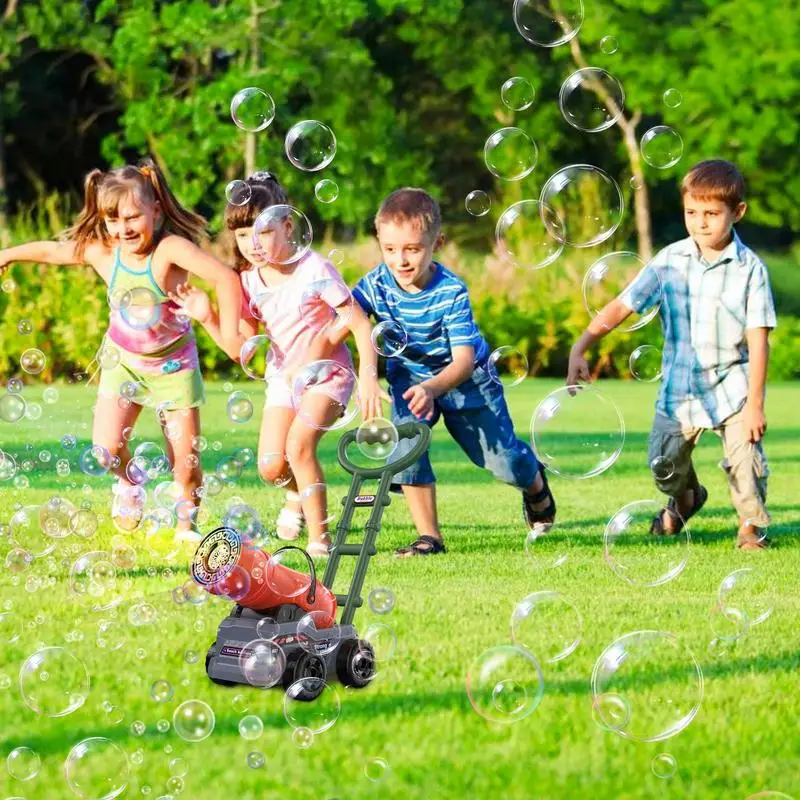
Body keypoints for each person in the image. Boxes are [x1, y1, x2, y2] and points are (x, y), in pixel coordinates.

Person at [0, 158, 243, 543]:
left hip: (173, 366)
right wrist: (8, 254)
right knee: (106, 450)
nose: (123, 227)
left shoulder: (169, 251)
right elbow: (53, 251)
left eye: (132, 217)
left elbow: (226, 278)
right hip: (123, 364)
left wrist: (229, 333)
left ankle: (186, 528)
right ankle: (130, 483)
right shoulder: (104, 252)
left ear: (156, 211)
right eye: (113, 219)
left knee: (186, 465)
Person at [171, 171, 387, 557]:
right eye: (241, 235)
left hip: (328, 376)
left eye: (262, 231)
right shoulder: (248, 282)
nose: (251, 243)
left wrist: (369, 377)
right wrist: (206, 317)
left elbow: (357, 321)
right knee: (272, 466)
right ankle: (295, 496)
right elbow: (242, 350)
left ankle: (320, 541)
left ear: (288, 226)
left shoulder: (314, 269)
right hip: (284, 380)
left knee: (299, 447)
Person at [567, 159, 777, 550]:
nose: (701, 222)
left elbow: (759, 338)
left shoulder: (751, 269)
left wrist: (756, 405)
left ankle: (750, 527)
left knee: (745, 464)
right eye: (692, 212)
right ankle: (685, 499)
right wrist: (582, 344)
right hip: (680, 390)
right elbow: (623, 305)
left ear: (738, 212)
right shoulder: (669, 261)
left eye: (712, 214)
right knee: (663, 466)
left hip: (733, 388)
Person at [344, 187, 555, 557]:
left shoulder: (451, 291)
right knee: (406, 449)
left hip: (467, 381)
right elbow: (347, 316)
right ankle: (430, 538)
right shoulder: (375, 284)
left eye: (412, 249)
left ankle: (534, 481)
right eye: (390, 249)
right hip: (408, 379)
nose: (401, 260)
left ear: (436, 242)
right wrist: (360, 368)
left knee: (503, 462)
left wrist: (432, 388)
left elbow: (463, 360)